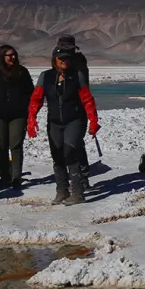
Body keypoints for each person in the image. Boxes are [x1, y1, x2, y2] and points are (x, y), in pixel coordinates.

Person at [27, 47, 100, 205]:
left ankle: (78, 192)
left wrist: (93, 120)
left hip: (74, 120)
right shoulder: (45, 77)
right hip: (54, 122)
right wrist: (31, 118)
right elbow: (36, 99)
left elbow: (87, 100)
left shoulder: (77, 76)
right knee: (57, 156)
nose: (64, 60)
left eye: (66, 57)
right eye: (61, 58)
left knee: (70, 152)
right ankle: (62, 191)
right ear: (54, 60)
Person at [0, 45, 34, 189]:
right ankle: (5, 177)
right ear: (1, 57)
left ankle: (16, 177)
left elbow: (30, 91)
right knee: (1, 146)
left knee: (16, 145)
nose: (13, 58)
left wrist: (23, 106)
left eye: (14, 55)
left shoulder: (22, 72)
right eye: (10, 55)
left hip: (18, 115)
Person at [56, 35, 92, 189]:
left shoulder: (78, 63)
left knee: (75, 143)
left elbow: (83, 86)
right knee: (66, 145)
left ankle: (82, 178)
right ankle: (76, 179)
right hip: (63, 108)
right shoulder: (58, 61)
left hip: (78, 107)